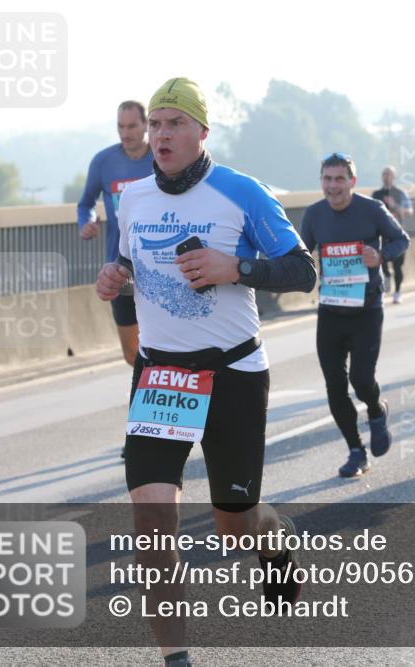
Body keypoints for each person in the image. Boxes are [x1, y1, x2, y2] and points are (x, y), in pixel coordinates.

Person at [95, 77, 316, 667]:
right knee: (152, 515)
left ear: (201, 132)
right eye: (156, 124)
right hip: (162, 376)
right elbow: (124, 262)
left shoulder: (240, 191)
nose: (160, 134)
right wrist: (112, 279)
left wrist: (234, 266)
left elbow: (302, 271)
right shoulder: (133, 198)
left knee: (235, 524)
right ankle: (177, 658)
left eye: (174, 124)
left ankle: (277, 541)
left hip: (233, 373)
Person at [300, 153, 410, 477]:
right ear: (321, 181)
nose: (333, 186)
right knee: (334, 387)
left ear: (352, 182)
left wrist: (380, 255)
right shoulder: (314, 215)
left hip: (366, 310)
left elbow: (401, 239)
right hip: (331, 312)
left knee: (361, 380)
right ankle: (355, 451)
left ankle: (376, 410)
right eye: (327, 179)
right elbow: (301, 254)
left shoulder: (371, 210)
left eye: (339, 179)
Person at [78, 100, 154, 368]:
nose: (126, 133)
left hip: (160, 264)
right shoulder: (103, 161)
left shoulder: (162, 157)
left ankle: (163, 401)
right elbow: (86, 203)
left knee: (167, 346)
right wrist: (86, 223)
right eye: (121, 126)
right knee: (132, 353)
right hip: (121, 268)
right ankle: (150, 393)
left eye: (132, 126)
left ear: (146, 125)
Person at [372, 166, 413, 304]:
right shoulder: (376, 194)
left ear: (394, 177)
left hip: (397, 235)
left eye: (389, 174)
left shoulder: (400, 193)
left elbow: (409, 212)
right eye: (384, 174)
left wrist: (394, 206)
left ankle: (397, 292)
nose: (386, 176)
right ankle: (386, 276)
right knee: (381, 262)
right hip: (380, 236)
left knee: (398, 266)